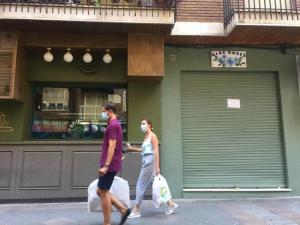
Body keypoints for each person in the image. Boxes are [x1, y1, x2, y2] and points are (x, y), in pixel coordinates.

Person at [126, 118, 178, 218]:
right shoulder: (146, 136)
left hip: (150, 162)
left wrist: (157, 167)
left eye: (143, 123)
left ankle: (136, 209)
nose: (142, 125)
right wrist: (131, 148)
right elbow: (143, 149)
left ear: (149, 125)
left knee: (140, 185)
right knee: (156, 184)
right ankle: (171, 204)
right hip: (146, 161)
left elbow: (156, 151)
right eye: (141, 123)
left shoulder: (153, 136)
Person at [97, 102, 131, 225]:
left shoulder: (113, 125)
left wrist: (106, 165)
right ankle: (123, 209)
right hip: (110, 162)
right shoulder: (115, 124)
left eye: (103, 111)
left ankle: (107, 223)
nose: (103, 113)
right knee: (100, 191)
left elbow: (112, 145)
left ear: (110, 111)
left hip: (108, 164)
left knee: (104, 192)